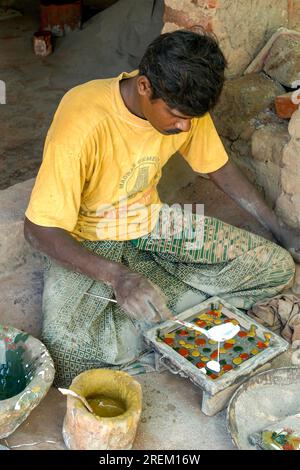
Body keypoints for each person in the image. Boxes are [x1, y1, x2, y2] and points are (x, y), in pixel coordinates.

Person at [24, 30, 297, 386]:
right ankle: (174, 312)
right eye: (175, 114)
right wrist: (117, 276)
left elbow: (219, 168)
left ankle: (153, 320)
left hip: (152, 224)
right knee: (66, 351)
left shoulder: (185, 107)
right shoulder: (83, 117)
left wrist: (281, 230)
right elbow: (38, 230)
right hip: (86, 240)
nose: (183, 125)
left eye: (191, 118)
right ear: (144, 87)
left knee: (276, 268)